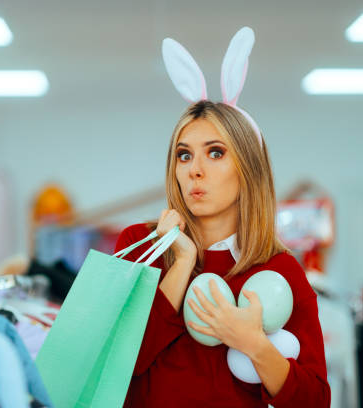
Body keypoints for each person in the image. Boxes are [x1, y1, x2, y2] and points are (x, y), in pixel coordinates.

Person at [114, 27, 330, 408]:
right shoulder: (139, 246)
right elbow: (119, 361)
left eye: (215, 153)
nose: (195, 169)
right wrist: (181, 263)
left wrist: (254, 345)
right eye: (184, 155)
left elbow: (314, 400)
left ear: (248, 167)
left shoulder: (280, 271)